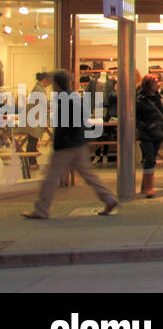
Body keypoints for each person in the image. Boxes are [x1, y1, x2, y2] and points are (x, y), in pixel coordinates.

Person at [21, 70, 118, 218]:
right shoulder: (72, 97)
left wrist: (58, 144)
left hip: (67, 145)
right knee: (88, 175)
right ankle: (108, 198)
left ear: (56, 83)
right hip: (77, 143)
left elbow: (64, 125)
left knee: (51, 177)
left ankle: (41, 209)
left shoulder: (64, 100)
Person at [135, 75, 163, 198]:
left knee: (152, 157)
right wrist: (144, 126)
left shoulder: (159, 98)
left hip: (157, 131)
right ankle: (149, 187)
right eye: (155, 82)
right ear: (149, 84)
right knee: (150, 159)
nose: (158, 84)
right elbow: (136, 117)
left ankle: (145, 186)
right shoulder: (140, 99)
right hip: (146, 133)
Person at [19, 72, 52, 180]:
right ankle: (31, 162)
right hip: (33, 120)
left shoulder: (39, 88)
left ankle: (32, 161)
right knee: (32, 142)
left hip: (34, 119)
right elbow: (44, 103)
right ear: (45, 80)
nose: (50, 83)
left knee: (33, 141)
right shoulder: (38, 90)